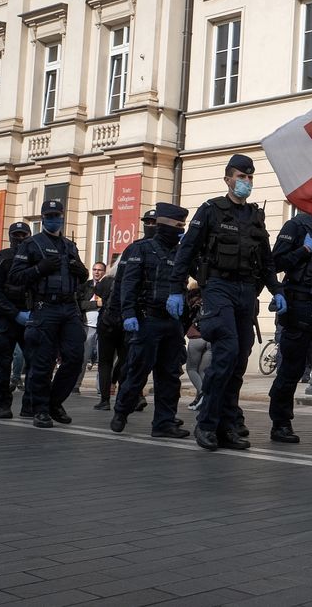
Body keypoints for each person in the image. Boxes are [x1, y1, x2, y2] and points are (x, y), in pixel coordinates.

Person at [167, 153, 287, 451]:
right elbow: (186, 252)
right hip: (218, 287)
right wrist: (174, 289)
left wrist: (276, 289)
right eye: (240, 177)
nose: (245, 182)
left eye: (249, 177)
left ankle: (227, 425)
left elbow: (267, 259)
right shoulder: (210, 210)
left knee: (238, 361)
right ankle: (206, 424)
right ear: (227, 179)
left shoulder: (255, 216)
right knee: (226, 353)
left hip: (247, 291)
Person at [110, 203, 191, 438]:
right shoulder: (141, 249)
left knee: (170, 376)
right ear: (164, 225)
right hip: (147, 320)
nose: (180, 230)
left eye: (182, 226)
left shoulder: (181, 252)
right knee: (137, 371)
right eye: (178, 226)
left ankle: (164, 422)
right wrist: (128, 314)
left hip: (172, 323)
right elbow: (129, 284)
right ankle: (122, 411)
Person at [10, 199, 89, 428]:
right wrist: (39, 269)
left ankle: (54, 402)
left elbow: (82, 277)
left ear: (63, 216)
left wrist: (81, 271)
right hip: (45, 307)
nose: (54, 219)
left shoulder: (69, 245)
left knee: (75, 357)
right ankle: (41, 409)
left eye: (58, 215)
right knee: (42, 362)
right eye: (50, 215)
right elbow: (16, 277)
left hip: (69, 308)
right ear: (43, 218)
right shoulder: (31, 244)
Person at [267, 210, 312, 444]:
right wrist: (303, 251)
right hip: (299, 303)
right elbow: (275, 262)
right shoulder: (296, 225)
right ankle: (280, 423)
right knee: (291, 369)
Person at [0, 222, 33, 418]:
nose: (20, 239)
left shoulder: (36, 258)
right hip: (6, 318)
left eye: (23, 235)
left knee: (37, 362)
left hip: (30, 315)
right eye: (16, 235)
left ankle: (29, 405)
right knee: (1, 365)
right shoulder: (0, 259)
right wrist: (14, 313)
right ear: (10, 236)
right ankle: (3, 405)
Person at [93, 255, 127, 411]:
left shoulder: (107, 280)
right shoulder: (131, 279)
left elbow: (97, 291)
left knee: (105, 363)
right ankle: (124, 397)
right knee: (125, 360)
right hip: (125, 323)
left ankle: (104, 400)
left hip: (106, 324)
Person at [185, 280, 210, 410]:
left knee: (191, 368)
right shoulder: (212, 297)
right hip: (210, 338)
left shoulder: (191, 298)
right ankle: (202, 398)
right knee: (203, 371)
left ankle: (202, 394)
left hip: (196, 338)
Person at [83, 262, 106, 369]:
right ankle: (76, 385)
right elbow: (80, 304)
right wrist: (96, 304)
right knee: (82, 358)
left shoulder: (109, 285)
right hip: (87, 326)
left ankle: (102, 386)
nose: (96, 272)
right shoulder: (86, 285)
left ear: (104, 272)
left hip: (104, 326)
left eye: (99, 270)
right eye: (94, 269)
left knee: (103, 361)